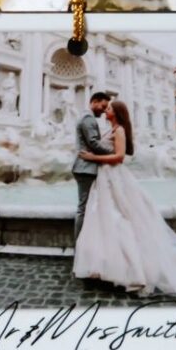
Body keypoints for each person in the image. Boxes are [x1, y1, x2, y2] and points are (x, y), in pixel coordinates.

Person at [73, 100, 176, 304]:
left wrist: (92, 158)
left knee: (119, 219)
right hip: (104, 178)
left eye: (110, 108)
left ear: (117, 113)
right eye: (106, 108)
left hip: (114, 176)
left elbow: (119, 157)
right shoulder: (112, 129)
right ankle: (104, 266)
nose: (106, 110)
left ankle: (130, 270)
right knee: (105, 219)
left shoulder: (120, 130)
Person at [72, 91, 112, 241]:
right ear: (94, 101)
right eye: (103, 106)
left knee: (85, 207)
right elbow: (94, 143)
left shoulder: (84, 116)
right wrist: (114, 152)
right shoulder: (88, 118)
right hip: (85, 167)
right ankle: (80, 245)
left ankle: (84, 242)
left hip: (84, 167)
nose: (103, 110)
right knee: (83, 208)